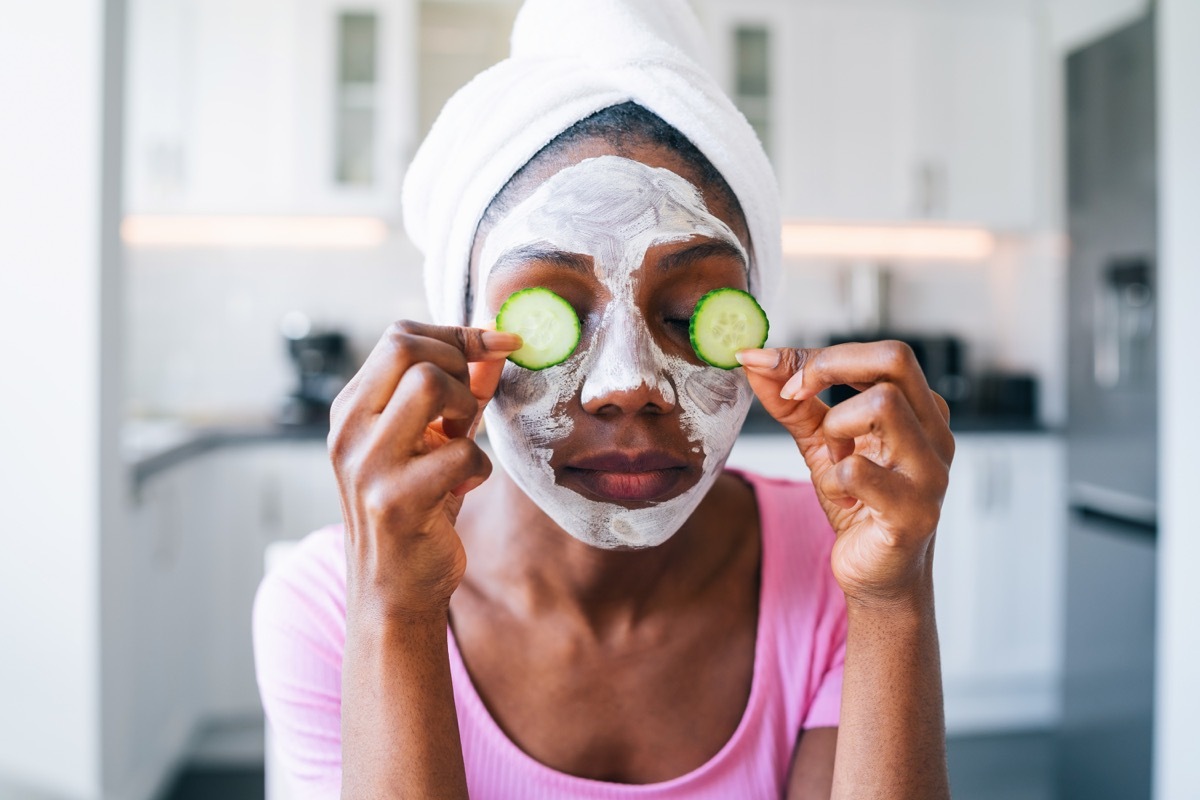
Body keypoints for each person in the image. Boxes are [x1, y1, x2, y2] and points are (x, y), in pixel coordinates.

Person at [253, 2, 954, 798]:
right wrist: (398, 613)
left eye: (691, 314)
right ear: (462, 334)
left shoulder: (842, 560)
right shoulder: (331, 606)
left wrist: (893, 600)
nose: (629, 385)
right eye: (549, 316)